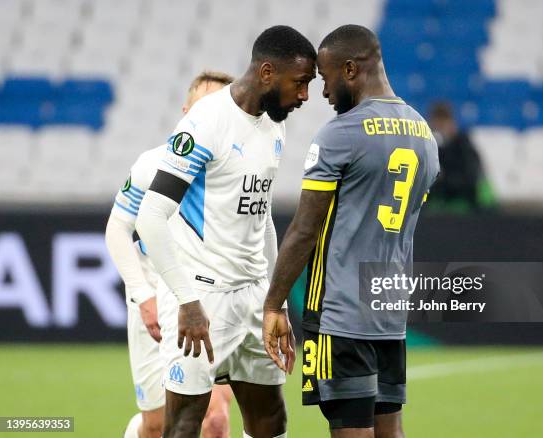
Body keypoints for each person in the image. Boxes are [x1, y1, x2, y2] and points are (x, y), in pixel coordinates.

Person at [136, 25, 317, 438]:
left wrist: (277, 305)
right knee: (184, 424)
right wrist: (188, 301)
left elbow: (263, 218)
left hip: (255, 295)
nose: (305, 95)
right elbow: (151, 217)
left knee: (271, 420)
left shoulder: (275, 123)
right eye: (301, 83)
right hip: (202, 296)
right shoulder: (205, 122)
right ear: (268, 72)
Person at [263, 25, 439, 438]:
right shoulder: (424, 134)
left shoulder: (341, 134)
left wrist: (273, 305)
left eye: (325, 79)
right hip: (390, 313)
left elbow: (306, 230)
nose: (322, 92)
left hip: (341, 315)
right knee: (390, 431)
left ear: (350, 69)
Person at [105, 71, 235, 438]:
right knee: (157, 425)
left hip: (210, 295)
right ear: (185, 112)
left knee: (213, 421)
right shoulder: (154, 164)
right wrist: (143, 295)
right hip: (155, 291)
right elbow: (117, 229)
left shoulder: (235, 172)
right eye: (202, 109)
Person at [428, 101, 483, 210]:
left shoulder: (464, 145)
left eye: (442, 124)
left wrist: (444, 180)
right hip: (437, 207)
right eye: (436, 125)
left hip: (464, 205)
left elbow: (471, 179)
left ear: (452, 123)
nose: (439, 129)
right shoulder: (429, 146)